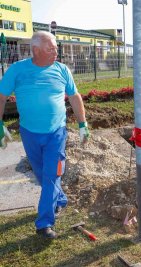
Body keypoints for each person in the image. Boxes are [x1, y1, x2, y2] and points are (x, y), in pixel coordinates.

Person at [0, 31, 90, 239]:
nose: (56, 51)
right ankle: (59, 199)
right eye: (51, 48)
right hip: (29, 133)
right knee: (42, 174)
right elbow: (2, 96)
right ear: (36, 50)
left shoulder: (62, 70)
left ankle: (44, 223)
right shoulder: (17, 70)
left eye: (56, 47)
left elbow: (75, 97)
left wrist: (83, 124)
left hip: (56, 134)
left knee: (51, 175)